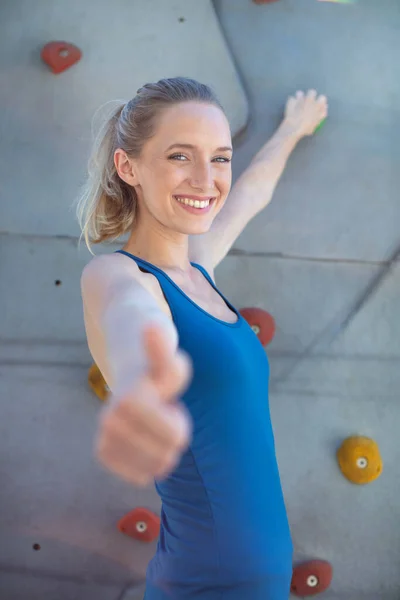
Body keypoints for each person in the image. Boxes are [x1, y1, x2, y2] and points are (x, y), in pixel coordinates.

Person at [76, 77, 327, 600]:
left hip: (256, 580)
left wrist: (292, 129)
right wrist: (144, 367)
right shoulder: (119, 277)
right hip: (209, 583)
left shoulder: (199, 270)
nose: (205, 179)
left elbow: (251, 192)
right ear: (129, 168)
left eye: (219, 158)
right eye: (179, 156)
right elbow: (130, 317)